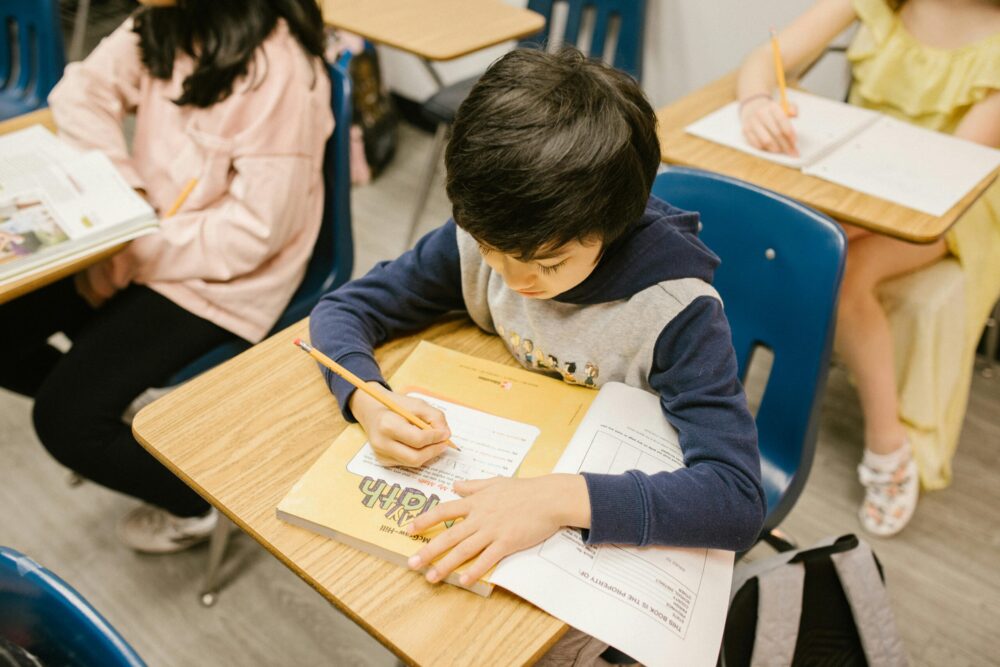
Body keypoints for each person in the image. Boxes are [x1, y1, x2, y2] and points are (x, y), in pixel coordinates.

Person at [310, 46, 764, 633]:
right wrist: (368, 398)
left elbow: (735, 501)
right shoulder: (491, 237)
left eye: (548, 265)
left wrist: (554, 500)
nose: (517, 280)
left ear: (613, 228)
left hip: (597, 527)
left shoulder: (676, 312)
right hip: (519, 460)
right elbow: (344, 307)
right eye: (493, 252)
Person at [0, 0, 332, 553]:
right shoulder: (159, 18)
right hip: (144, 233)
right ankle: (126, 413)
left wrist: (126, 251)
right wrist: (124, 192)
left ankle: (193, 503)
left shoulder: (276, 69)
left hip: (224, 278)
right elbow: (80, 92)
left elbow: (253, 235)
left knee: (64, 421)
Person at [737, 0, 1000, 536]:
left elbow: (944, 181)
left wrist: (830, 221)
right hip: (852, 180)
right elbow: (767, 59)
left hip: (953, 207)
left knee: (845, 270)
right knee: (758, 226)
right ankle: (725, 397)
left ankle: (889, 448)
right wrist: (756, 102)